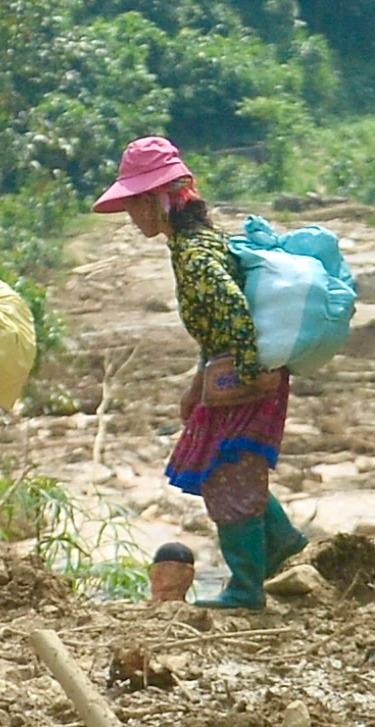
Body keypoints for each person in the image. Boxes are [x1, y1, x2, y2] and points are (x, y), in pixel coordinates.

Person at [93, 136, 306, 610]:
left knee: (228, 475)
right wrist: (196, 384)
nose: (133, 217)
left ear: (155, 202)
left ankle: (246, 588)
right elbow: (215, 328)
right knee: (230, 469)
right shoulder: (197, 244)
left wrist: (252, 372)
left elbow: (230, 309)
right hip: (237, 375)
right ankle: (285, 548)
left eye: (134, 206)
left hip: (244, 379)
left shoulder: (193, 255)